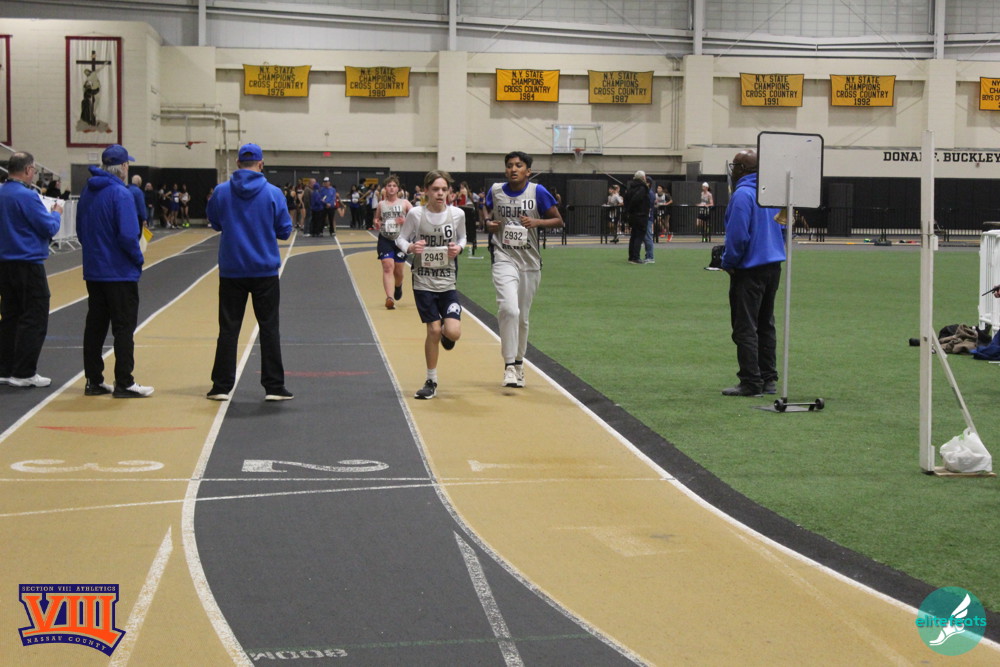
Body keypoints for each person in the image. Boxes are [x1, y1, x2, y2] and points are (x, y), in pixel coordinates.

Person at [205, 143, 294, 402]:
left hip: (232, 270)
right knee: (269, 328)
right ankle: (274, 386)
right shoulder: (273, 193)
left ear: (237, 163)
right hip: (264, 270)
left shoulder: (221, 192)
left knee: (228, 329)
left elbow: (215, 223)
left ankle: (221, 386)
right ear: (261, 164)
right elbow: (284, 231)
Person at [77, 144, 153, 398]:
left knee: (95, 326)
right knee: (123, 328)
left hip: (94, 270)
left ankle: (93, 380)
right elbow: (128, 235)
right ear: (123, 167)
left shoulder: (87, 191)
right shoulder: (121, 194)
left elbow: (80, 230)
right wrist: (137, 259)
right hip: (119, 272)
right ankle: (124, 381)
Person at [485, 150, 563, 389]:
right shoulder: (495, 191)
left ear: (528, 171)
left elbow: (558, 220)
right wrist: (487, 223)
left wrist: (537, 222)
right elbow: (485, 210)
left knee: (522, 317)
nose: (513, 169)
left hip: (529, 261)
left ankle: (519, 363)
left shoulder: (537, 192)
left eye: (518, 165)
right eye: (509, 165)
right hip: (503, 256)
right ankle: (509, 365)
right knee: (509, 309)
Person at [395, 170, 466, 400]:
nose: (440, 193)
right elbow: (401, 238)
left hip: (447, 281)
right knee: (433, 330)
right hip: (423, 281)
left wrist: (459, 248)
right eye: (435, 189)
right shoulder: (416, 214)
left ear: (449, 191)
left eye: (444, 189)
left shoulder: (457, 214)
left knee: (453, 332)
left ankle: (446, 334)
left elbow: (463, 238)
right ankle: (431, 380)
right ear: (426, 191)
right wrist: (410, 248)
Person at [720, 148, 785, 397]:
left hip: (749, 268)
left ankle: (750, 381)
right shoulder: (771, 194)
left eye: (735, 165)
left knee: (745, 326)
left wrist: (728, 262)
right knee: (766, 324)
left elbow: (737, 236)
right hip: (773, 265)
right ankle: (768, 378)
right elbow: (783, 228)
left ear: (742, 170)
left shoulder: (742, 195)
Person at [0, 152, 62, 388]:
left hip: (4, 263)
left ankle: (5, 368)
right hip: (27, 262)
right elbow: (48, 228)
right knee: (34, 317)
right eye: (33, 169)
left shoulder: (2, 192)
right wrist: (56, 213)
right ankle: (24, 372)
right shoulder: (27, 196)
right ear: (27, 170)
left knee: (10, 316)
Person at [373, 174, 411, 310]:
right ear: (385, 188)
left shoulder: (405, 203)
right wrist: (377, 222)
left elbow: (415, 218)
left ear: (398, 189)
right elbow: (376, 219)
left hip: (401, 239)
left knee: (398, 270)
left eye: (394, 186)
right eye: (389, 186)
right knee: (388, 266)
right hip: (385, 238)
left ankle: (398, 286)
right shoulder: (381, 204)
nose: (391, 188)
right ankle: (389, 298)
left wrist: (405, 221)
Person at [623, 170, 650, 264]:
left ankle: (631, 257)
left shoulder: (630, 188)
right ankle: (636, 257)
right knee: (639, 237)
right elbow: (636, 199)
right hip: (641, 215)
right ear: (643, 178)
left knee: (633, 236)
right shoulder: (643, 188)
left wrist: (628, 211)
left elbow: (626, 200)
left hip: (632, 216)